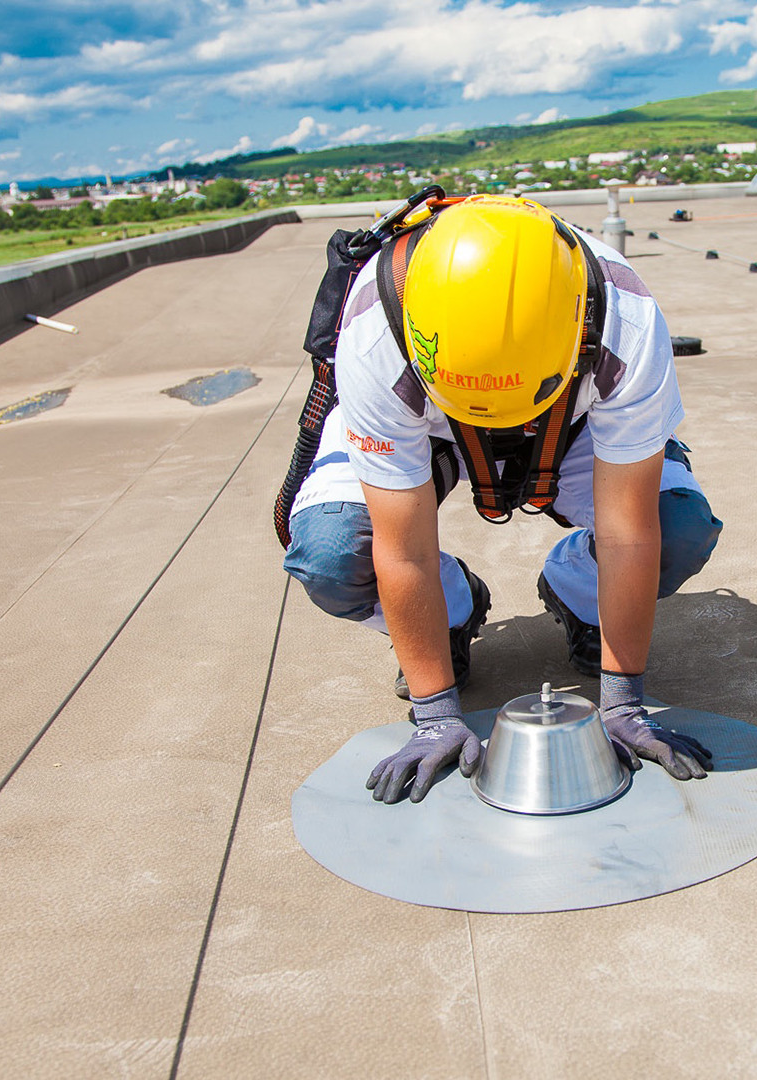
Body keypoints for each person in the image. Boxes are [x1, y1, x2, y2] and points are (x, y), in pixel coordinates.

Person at [282, 194, 722, 804]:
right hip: (430, 424)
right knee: (331, 555)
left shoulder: (626, 320)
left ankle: (578, 590)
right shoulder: (374, 332)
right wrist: (434, 714)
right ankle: (453, 608)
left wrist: (623, 702)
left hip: (573, 421)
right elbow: (401, 549)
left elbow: (630, 532)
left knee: (675, 529)